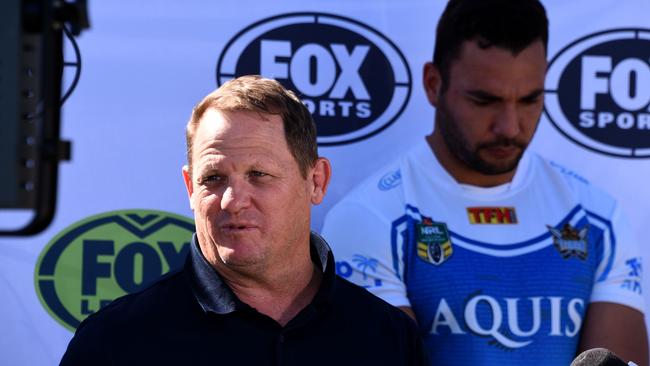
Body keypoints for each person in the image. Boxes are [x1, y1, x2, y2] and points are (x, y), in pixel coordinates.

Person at [321, 0, 648, 365]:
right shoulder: (370, 216)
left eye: (529, 99)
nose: (509, 126)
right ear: (433, 83)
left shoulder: (598, 216)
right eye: (484, 100)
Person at [59, 75, 428, 365]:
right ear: (190, 187)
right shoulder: (115, 343)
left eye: (259, 175)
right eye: (213, 179)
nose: (233, 201)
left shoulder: (388, 339)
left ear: (316, 181)